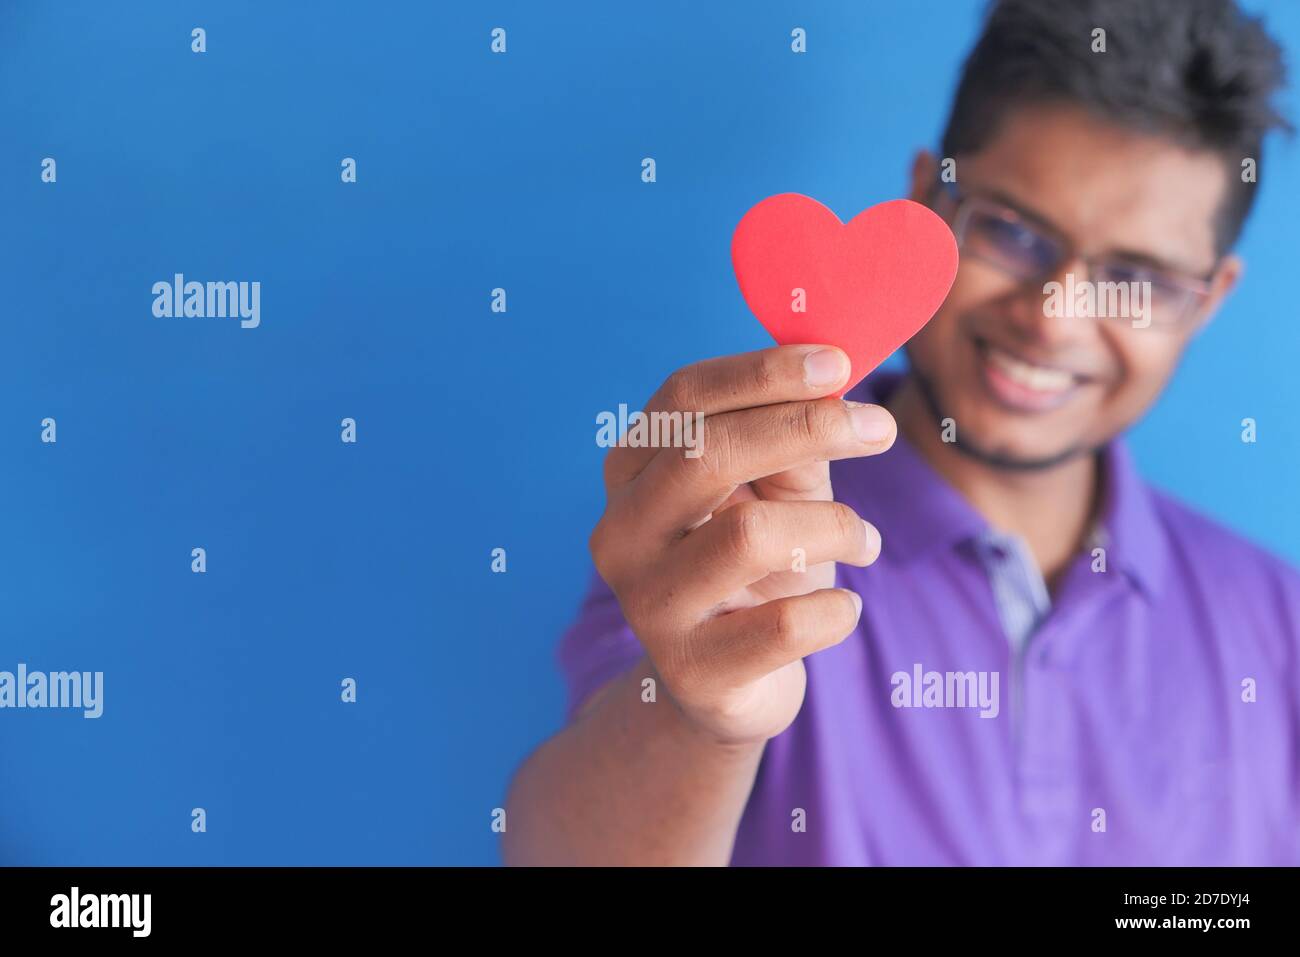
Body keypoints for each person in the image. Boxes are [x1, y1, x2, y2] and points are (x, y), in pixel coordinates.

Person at [502, 0, 1299, 865]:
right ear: (928, 198)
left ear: (1209, 298)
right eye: (1013, 232)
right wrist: (708, 720)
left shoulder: (1277, 620)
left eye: (1135, 278)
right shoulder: (730, 533)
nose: (1053, 319)